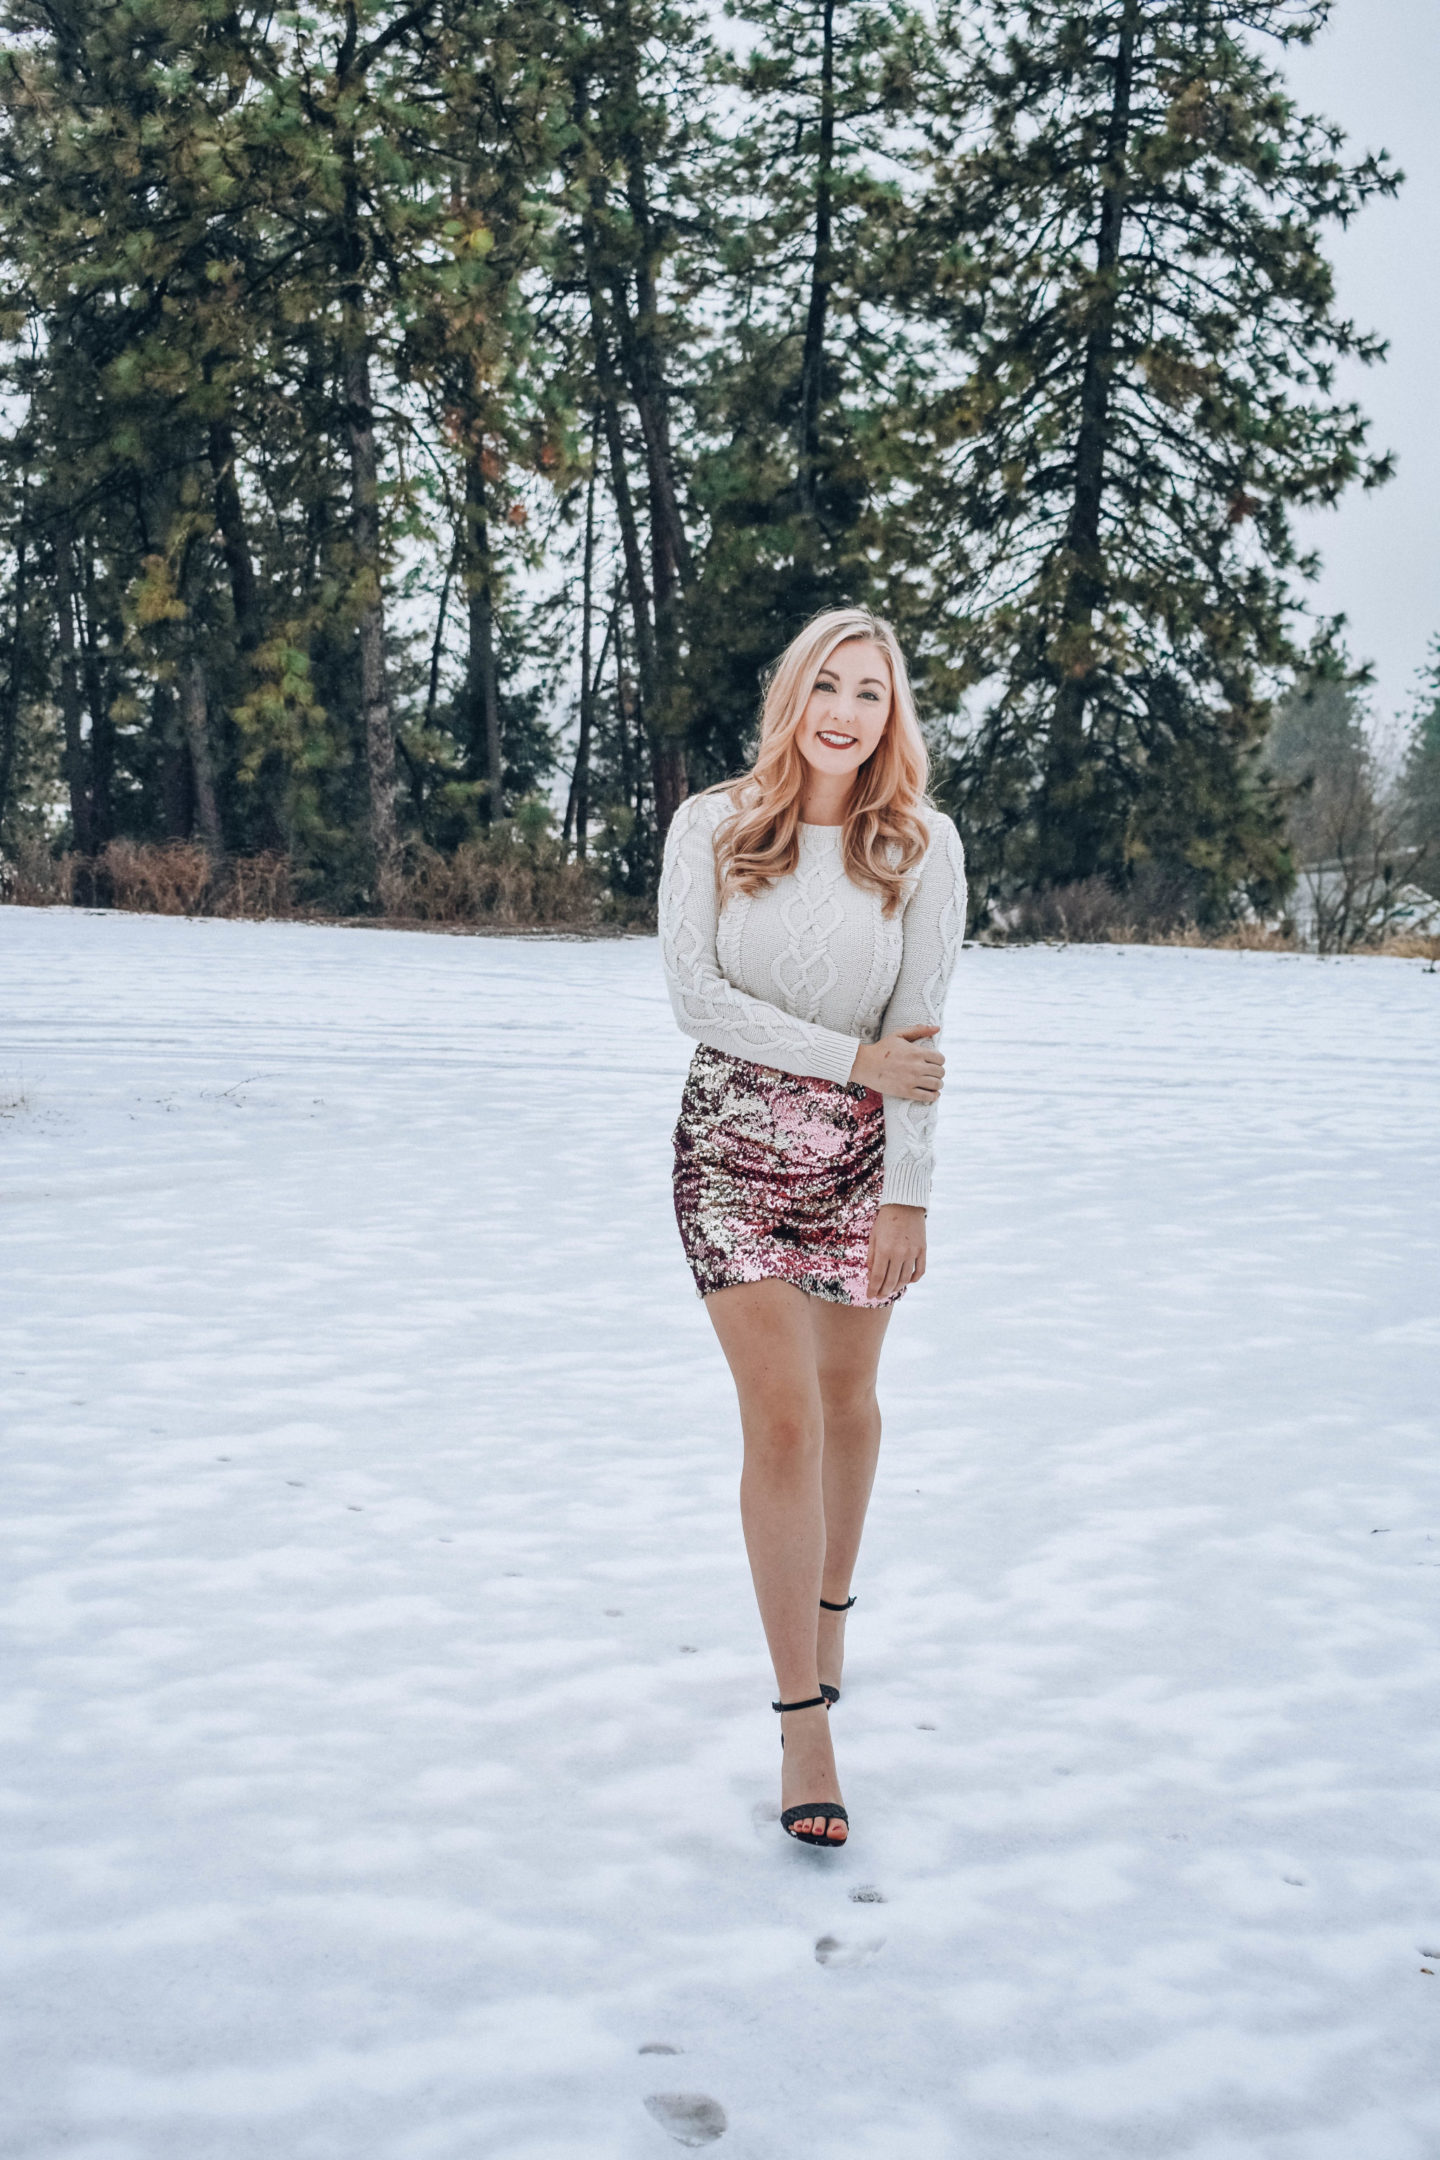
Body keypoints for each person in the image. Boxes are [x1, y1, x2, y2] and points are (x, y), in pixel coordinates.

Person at [658, 607, 966, 1846]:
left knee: (849, 1406)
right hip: (729, 1145)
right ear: (792, 696)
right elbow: (697, 997)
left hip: (861, 1160)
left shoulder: (921, 844)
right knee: (781, 1421)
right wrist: (852, 1058)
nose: (847, 711)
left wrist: (910, 1190)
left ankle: (831, 1616)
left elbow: (923, 1039)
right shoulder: (715, 826)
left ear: (895, 718)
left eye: (873, 694)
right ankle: (804, 1719)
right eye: (828, 685)